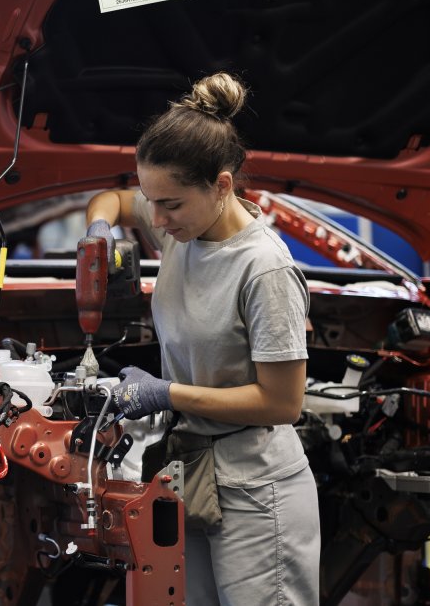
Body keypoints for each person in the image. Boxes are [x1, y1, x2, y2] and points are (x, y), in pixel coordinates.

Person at [88, 72, 319, 605]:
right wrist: (98, 231)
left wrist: (166, 394)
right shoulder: (181, 221)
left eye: (170, 205)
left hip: (258, 492)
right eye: (154, 201)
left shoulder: (263, 270)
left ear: (222, 185)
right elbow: (115, 201)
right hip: (190, 473)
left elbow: (283, 402)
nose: (158, 219)